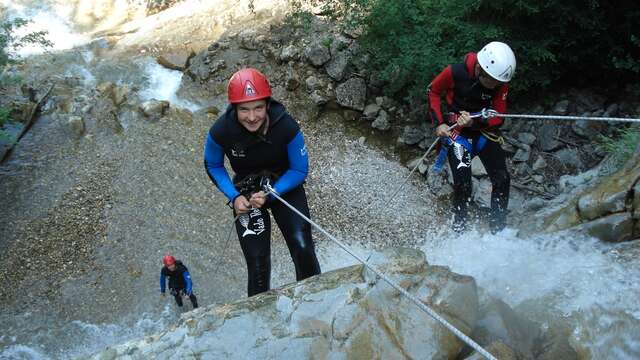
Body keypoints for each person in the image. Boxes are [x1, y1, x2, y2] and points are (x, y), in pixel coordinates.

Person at [204, 67, 321, 297]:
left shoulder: (286, 126)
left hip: (284, 187)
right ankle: (260, 320)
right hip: (246, 193)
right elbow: (213, 165)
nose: (252, 117)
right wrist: (234, 196)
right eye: (244, 109)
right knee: (257, 264)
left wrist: (272, 193)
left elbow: (299, 169)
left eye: (258, 107)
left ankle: (314, 301)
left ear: (268, 104)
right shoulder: (221, 131)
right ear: (234, 108)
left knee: (303, 247)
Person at [427, 41, 516, 233]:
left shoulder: (500, 81)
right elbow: (433, 91)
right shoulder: (455, 72)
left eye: (498, 82)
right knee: (463, 184)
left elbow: (499, 116)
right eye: (491, 80)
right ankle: (460, 230)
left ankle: (498, 230)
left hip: (483, 135)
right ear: (480, 68)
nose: (495, 85)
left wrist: (475, 122)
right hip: (457, 135)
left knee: (502, 179)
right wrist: (440, 123)